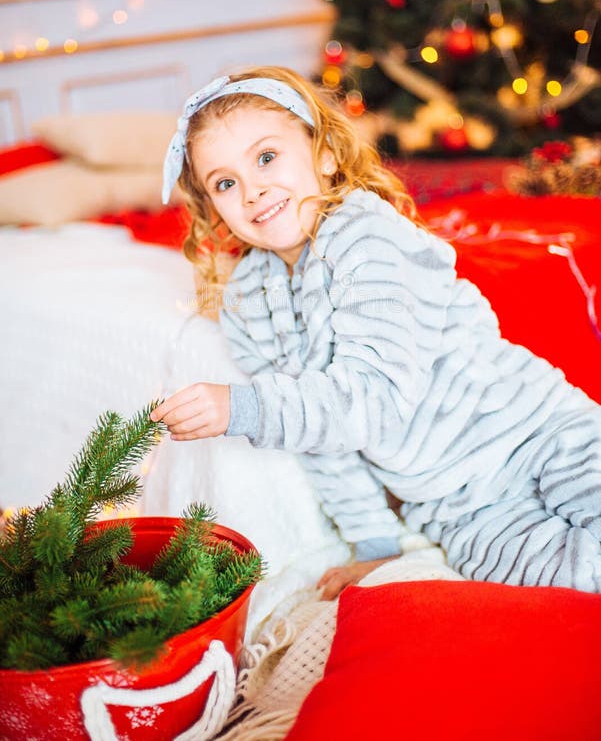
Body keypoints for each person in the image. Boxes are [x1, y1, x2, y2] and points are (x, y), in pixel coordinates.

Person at [150, 65, 601, 601]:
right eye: (225, 183)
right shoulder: (251, 301)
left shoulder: (365, 236)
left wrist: (243, 408)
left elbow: (377, 397)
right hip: (454, 507)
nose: (253, 190)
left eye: (267, 157)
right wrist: (375, 545)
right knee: (569, 584)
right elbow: (321, 440)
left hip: (539, 436)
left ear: (325, 153)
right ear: (212, 206)